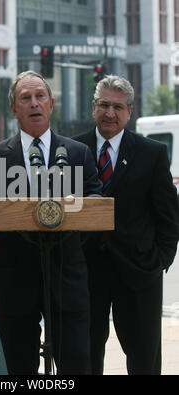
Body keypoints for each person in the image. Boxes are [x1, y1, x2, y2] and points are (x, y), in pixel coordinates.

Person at [0, 70, 103, 375]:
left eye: (40, 96)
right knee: (20, 369)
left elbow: (96, 207)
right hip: (14, 281)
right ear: (14, 108)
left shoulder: (77, 153)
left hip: (67, 278)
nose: (34, 103)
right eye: (25, 98)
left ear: (51, 104)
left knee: (76, 367)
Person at [74, 75, 179, 375]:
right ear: (93, 107)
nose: (110, 113)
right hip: (85, 272)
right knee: (85, 356)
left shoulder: (152, 152)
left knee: (144, 358)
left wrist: (160, 260)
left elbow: (169, 215)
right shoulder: (71, 149)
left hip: (138, 272)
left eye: (118, 107)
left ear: (130, 111)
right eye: (104, 105)